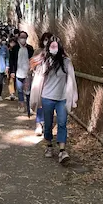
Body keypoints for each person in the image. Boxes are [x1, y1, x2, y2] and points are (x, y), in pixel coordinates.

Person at [34, 35, 78, 164]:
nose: (54, 47)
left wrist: (73, 97)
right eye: (51, 45)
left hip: (62, 98)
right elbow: (38, 81)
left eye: (56, 45)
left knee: (62, 123)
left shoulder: (67, 62)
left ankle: (62, 151)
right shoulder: (44, 62)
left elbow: (72, 80)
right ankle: (48, 145)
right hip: (47, 97)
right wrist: (36, 98)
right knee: (48, 124)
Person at [9, 31, 35, 114]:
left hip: (27, 73)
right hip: (18, 72)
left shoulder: (30, 48)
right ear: (18, 38)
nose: (23, 39)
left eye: (24, 37)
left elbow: (33, 60)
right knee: (19, 90)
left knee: (28, 91)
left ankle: (29, 106)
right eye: (21, 37)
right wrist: (12, 71)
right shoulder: (15, 48)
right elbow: (12, 61)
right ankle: (21, 105)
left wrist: (32, 69)